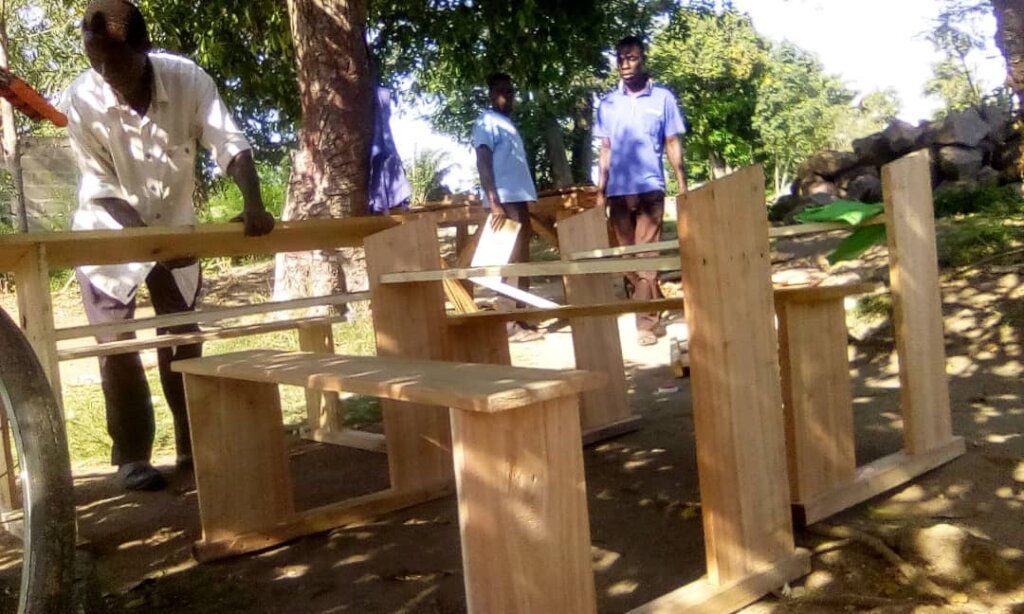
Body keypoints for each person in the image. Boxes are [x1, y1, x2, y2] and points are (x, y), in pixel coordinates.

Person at [65, 0, 275, 491]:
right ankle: (133, 457)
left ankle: (193, 443)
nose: (105, 72)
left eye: (114, 61)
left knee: (184, 341)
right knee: (117, 347)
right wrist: (154, 245)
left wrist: (254, 203)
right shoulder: (81, 98)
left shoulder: (188, 80)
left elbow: (230, 142)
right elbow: (101, 187)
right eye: (95, 61)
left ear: (144, 49)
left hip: (174, 233)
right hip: (109, 240)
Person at [595, 35, 688, 346]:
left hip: (650, 189)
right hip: (618, 193)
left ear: (643, 59)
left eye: (631, 57)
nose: (624, 63)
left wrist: (682, 184)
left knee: (646, 256)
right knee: (626, 259)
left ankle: (645, 325)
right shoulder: (607, 104)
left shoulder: (663, 98)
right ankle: (651, 301)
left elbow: (672, 142)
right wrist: (600, 191)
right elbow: (605, 149)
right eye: (620, 57)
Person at [472, 72, 543, 342]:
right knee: (508, 259)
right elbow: (483, 162)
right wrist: (493, 202)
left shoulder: (507, 123)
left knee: (522, 258)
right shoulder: (486, 122)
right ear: (491, 95)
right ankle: (509, 324)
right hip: (503, 201)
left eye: (511, 92)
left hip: (518, 198)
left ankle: (519, 317)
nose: (508, 97)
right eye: (502, 92)